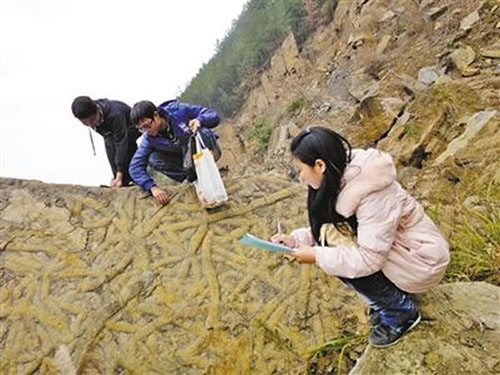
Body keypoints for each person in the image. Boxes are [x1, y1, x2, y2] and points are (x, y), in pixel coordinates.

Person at [271, 126, 450, 348]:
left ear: (319, 165)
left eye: (300, 170)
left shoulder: (372, 193)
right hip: (396, 248)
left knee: (339, 257)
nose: (300, 177)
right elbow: (333, 228)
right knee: (333, 246)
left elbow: (369, 259)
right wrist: (296, 241)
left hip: (420, 259)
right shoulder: (338, 172)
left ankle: (401, 314)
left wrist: (317, 255)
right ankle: (386, 301)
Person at [129, 99, 221, 205]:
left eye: (147, 125)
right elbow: (134, 167)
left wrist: (199, 120)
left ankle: (209, 170)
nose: (147, 131)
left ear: (156, 115)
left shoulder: (180, 111)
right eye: (142, 129)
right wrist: (152, 187)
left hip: (203, 152)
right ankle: (192, 179)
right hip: (186, 162)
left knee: (203, 132)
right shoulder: (149, 139)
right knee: (153, 159)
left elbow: (214, 116)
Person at [71, 96, 141, 188]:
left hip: (131, 127)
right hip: (111, 132)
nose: (90, 124)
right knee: (110, 145)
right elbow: (110, 144)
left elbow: (121, 143)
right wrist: (116, 174)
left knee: (125, 146)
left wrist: (120, 173)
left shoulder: (115, 114)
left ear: (97, 110)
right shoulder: (90, 116)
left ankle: (134, 179)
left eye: (92, 120)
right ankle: (120, 180)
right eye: (85, 123)